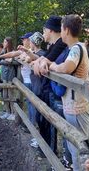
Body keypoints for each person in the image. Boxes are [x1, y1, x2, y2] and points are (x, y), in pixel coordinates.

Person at [47, 14, 89, 171]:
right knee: (74, 146)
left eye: (61, 29)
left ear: (65, 30)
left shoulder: (76, 49)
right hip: (73, 106)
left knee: (79, 147)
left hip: (77, 107)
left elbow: (66, 67)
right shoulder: (74, 49)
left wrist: (52, 66)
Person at [31, 16, 67, 158]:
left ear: (51, 30)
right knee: (44, 121)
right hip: (50, 91)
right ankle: (45, 149)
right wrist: (39, 62)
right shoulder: (53, 46)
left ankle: (51, 154)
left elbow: (46, 60)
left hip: (57, 94)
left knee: (52, 125)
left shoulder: (61, 44)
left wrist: (40, 62)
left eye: (44, 30)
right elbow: (44, 58)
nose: (43, 33)